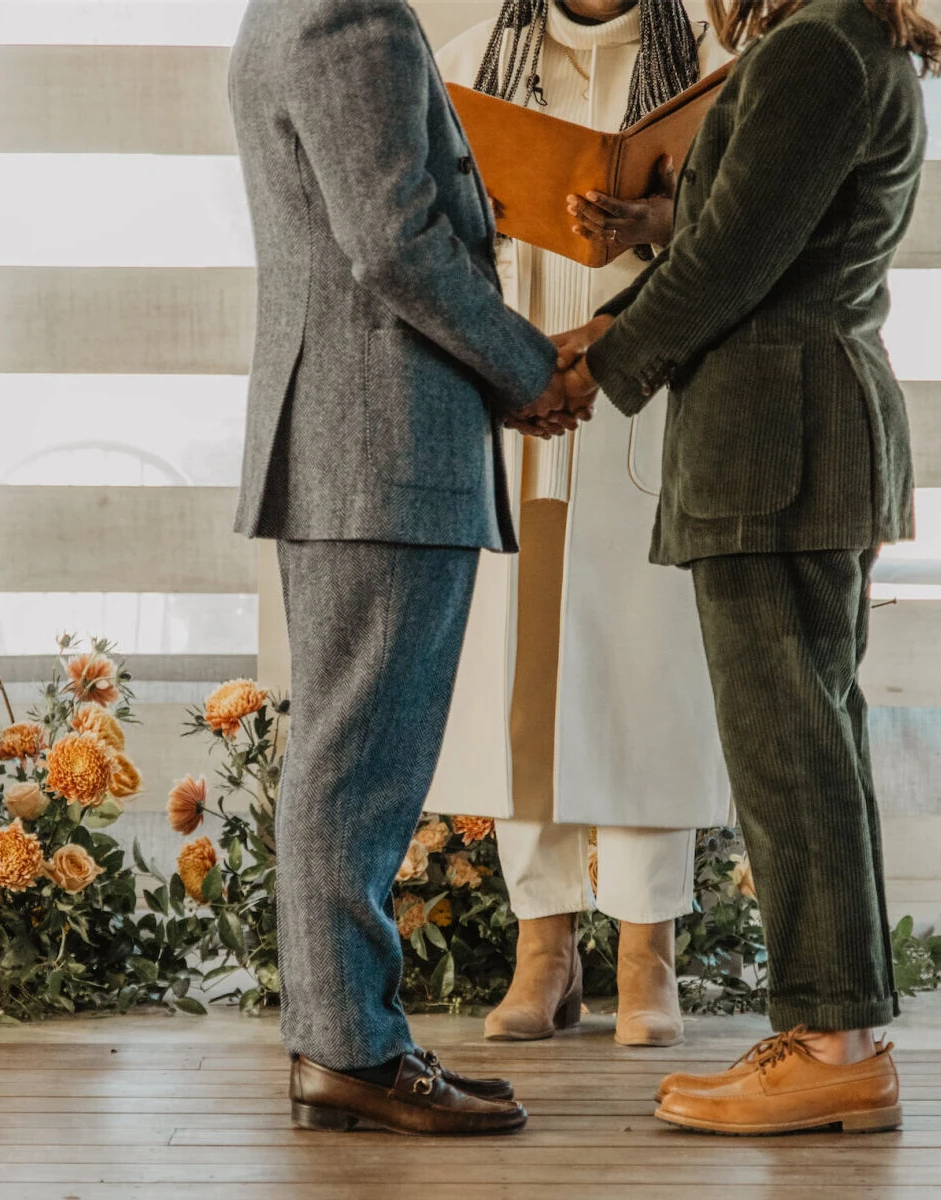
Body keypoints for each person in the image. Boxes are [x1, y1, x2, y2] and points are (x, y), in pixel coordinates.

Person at [552, 0, 941, 1135]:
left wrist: (597, 363)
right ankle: (836, 1032)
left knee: (788, 747)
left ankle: (834, 1046)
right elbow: (745, 236)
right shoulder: (835, 40)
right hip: (793, 428)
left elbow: (735, 254)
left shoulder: (815, 48)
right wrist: (612, 324)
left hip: (779, 437)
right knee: (806, 738)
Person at [227, 0, 595, 1136]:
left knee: (347, 758)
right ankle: (349, 1053)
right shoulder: (351, 19)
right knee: (358, 767)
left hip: (356, 444)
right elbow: (391, 241)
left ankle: (349, 1040)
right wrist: (526, 365)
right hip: (379, 444)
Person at [428, 0, 733, 1050]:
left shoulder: (705, 56)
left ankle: (647, 953)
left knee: (650, 676)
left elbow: (751, 225)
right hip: (521, 406)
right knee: (523, 684)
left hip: (649, 407)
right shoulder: (473, 62)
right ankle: (543, 948)